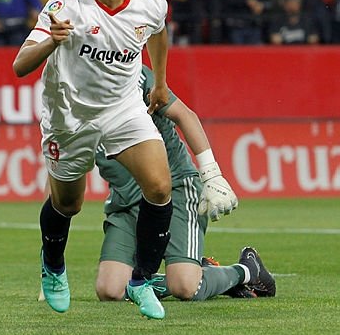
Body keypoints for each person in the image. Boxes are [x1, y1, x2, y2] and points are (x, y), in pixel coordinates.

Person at [13, 0, 196, 320]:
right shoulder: (66, 5)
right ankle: (54, 265)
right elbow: (19, 66)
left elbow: (158, 33)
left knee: (160, 186)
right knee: (68, 203)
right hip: (70, 116)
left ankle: (142, 279)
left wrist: (161, 83)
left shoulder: (150, 2)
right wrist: (51, 40)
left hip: (122, 109)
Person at [94, 65, 275, 304]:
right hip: (126, 201)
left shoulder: (131, 74)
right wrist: (52, 260)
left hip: (175, 188)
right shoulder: (68, 96)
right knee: (110, 289)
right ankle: (192, 270)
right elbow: (60, 169)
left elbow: (185, 115)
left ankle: (246, 271)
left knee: (185, 287)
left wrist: (211, 174)